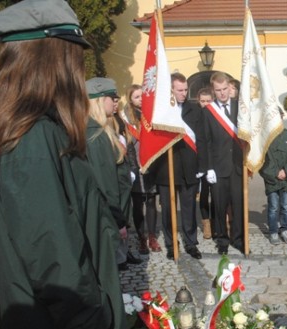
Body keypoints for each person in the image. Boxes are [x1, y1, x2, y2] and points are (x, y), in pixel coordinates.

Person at [0, 1, 128, 329]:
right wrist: (86, 320)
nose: (78, 66)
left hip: (62, 321)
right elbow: (47, 244)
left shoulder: (39, 128)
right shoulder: (31, 137)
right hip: (63, 325)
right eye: (73, 53)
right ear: (50, 58)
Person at [85, 77, 137, 271]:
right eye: (111, 98)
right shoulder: (96, 137)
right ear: (99, 100)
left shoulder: (99, 129)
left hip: (111, 213)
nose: (115, 102)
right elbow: (105, 185)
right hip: (108, 218)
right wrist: (118, 221)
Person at [149, 72, 202, 260]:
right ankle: (172, 244)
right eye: (180, 90)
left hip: (190, 167)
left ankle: (191, 242)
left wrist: (202, 166)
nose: (184, 93)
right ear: (170, 90)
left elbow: (201, 139)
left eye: (186, 89)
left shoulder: (194, 109)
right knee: (168, 211)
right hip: (167, 168)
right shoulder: (162, 111)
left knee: (189, 209)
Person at [199, 72, 244, 254]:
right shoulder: (208, 112)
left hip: (237, 165)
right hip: (217, 167)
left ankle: (239, 238)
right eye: (218, 90)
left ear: (229, 87)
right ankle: (222, 240)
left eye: (225, 89)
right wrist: (208, 167)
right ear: (213, 91)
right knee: (219, 205)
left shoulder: (239, 107)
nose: (223, 93)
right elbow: (205, 141)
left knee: (238, 204)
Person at [122, 84, 162, 254]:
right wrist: (133, 166)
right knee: (138, 204)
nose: (140, 99)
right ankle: (141, 238)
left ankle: (152, 236)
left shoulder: (150, 113)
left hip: (151, 163)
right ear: (130, 99)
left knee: (151, 202)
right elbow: (128, 144)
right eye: (136, 97)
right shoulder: (126, 117)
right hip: (136, 163)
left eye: (142, 96)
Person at [259, 110, 287, 245]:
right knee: (274, 207)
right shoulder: (265, 137)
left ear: (282, 117)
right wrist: (275, 173)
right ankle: (273, 232)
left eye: (279, 117)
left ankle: (285, 229)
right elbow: (262, 161)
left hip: (286, 179)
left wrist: (286, 171)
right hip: (272, 179)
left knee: (285, 206)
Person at [195, 87, 215, 240]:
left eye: (208, 101)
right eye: (203, 101)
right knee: (204, 193)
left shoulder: (217, 115)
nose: (205, 104)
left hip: (215, 160)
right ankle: (206, 223)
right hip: (201, 160)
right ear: (198, 101)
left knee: (216, 194)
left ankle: (215, 221)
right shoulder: (196, 116)